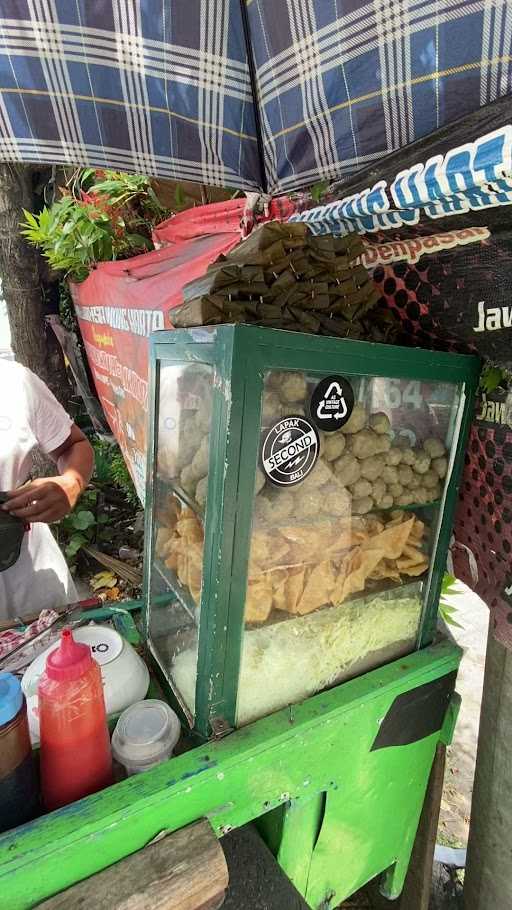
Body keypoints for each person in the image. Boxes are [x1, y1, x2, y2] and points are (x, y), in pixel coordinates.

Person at [0, 359, 94, 621]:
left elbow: (73, 444)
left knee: (59, 658)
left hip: (29, 578)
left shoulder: (13, 381)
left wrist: (70, 484)